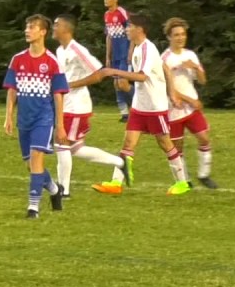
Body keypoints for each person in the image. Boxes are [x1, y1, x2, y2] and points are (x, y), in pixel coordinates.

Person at [93, 13, 191, 196]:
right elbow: (162, 68)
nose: (126, 29)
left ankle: (182, 183)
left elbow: (142, 76)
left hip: (155, 108)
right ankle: (116, 183)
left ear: (139, 29)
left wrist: (113, 71)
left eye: (129, 26)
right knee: (128, 143)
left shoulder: (148, 48)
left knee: (165, 143)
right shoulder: (138, 48)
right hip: (140, 106)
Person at [51, 15, 130, 198]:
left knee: (61, 144)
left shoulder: (77, 50)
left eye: (56, 24)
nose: (53, 28)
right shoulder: (60, 50)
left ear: (67, 29)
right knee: (75, 148)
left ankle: (64, 191)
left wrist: (70, 85)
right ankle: (120, 162)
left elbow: (100, 73)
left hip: (76, 106)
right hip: (66, 105)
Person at [4, 14, 69, 219]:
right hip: (24, 119)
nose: (27, 30)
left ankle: (33, 207)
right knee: (31, 165)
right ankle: (54, 189)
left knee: (36, 158)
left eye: (32, 27)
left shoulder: (52, 62)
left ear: (43, 32)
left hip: (44, 118)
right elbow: (12, 90)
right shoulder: (17, 59)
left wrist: (60, 125)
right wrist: (8, 117)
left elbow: (58, 95)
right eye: (26, 27)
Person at [161, 17, 218, 189]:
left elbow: (202, 80)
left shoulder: (190, 55)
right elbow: (167, 88)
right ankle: (184, 179)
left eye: (183, 34)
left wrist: (195, 67)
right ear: (169, 37)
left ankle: (204, 175)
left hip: (191, 109)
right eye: (176, 35)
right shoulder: (165, 59)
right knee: (177, 147)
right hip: (174, 109)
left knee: (204, 139)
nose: (180, 38)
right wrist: (190, 100)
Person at [103, 0, 134, 122]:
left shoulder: (122, 13)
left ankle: (142, 105)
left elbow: (131, 32)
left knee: (123, 83)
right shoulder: (106, 15)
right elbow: (109, 36)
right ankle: (124, 114)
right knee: (116, 84)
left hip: (124, 53)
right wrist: (108, 56)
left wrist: (130, 51)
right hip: (115, 55)